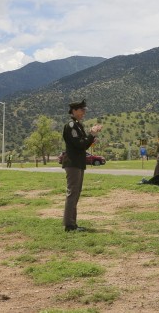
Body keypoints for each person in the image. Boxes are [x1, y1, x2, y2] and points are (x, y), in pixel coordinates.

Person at [61, 99, 102, 232]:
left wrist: (91, 137)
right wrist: (92, 134)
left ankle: (73, 223)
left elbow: (84, 143)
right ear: (74, 111)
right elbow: (79, 144)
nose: (84, 112)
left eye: (84, 110)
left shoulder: (78, 125)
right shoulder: (71, 125)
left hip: (78, 162)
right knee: (72, 193)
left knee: (76, 193)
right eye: (81, 110)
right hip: (73, 163)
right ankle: (69, 225)